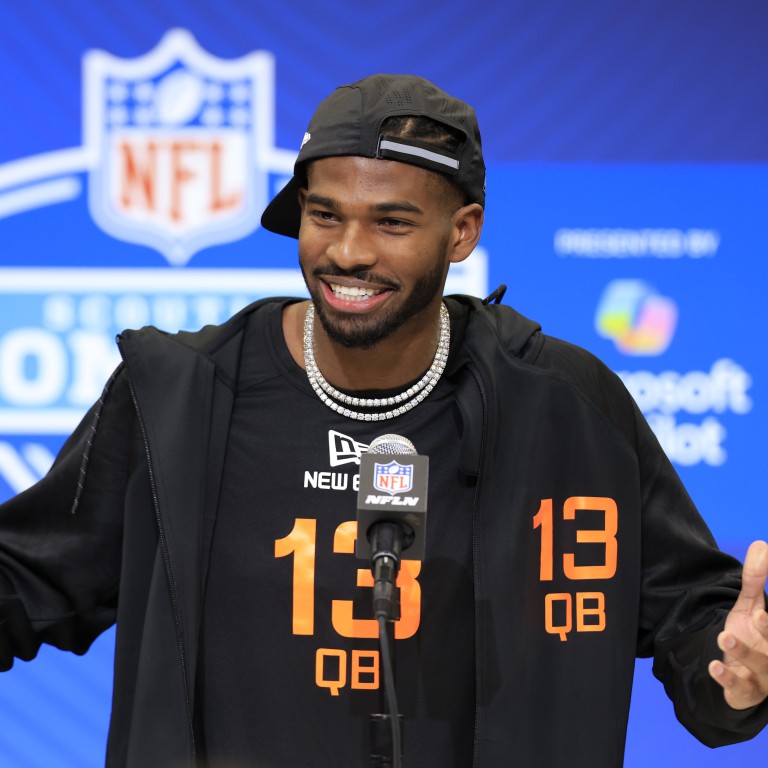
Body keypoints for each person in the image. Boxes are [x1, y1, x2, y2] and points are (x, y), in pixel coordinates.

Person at [0, 74, 766, 768]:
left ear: (461, 232)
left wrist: (737, 677)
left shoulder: (566, 404)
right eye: (324, 215)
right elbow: (28, 582)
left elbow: (695, 623)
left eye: (392, 223)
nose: (348, 252)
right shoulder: (175, 399)